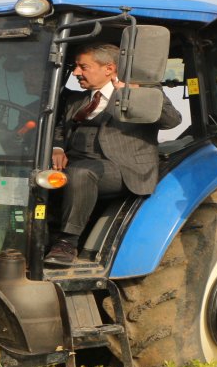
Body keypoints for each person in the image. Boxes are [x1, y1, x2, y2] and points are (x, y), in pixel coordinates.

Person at [46, 42, 182, 266]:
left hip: (122, 168)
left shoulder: (141, 93)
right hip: (76, 164)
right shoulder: (76, 100)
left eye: (83, 67)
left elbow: (172, 120)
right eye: (76, 67)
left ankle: (67, 242)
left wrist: (137, 96)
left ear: (108, 68)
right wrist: (57, 148)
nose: (77, 73)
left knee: (81, 173)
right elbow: (59, 128)